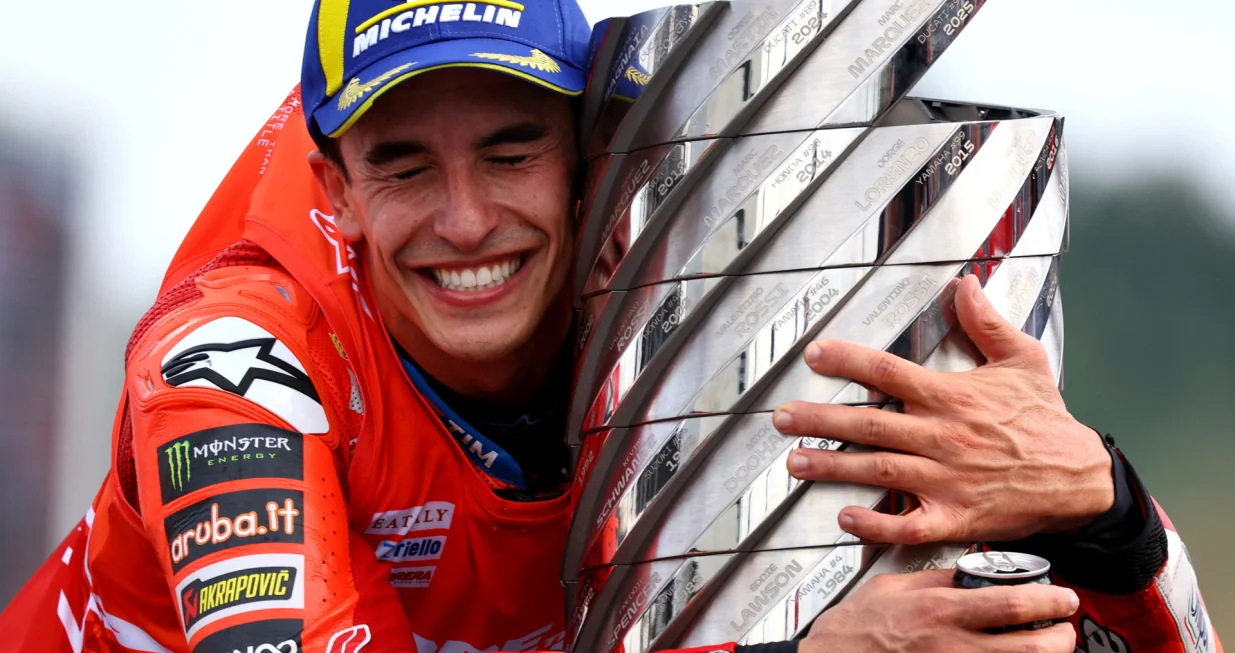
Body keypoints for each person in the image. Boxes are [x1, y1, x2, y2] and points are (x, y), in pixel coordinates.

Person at [0, 1, 1222, 652]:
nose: (465, 221)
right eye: (406, 166)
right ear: (337, 189)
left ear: (590, 162)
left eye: (510, 152)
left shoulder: (703, 315)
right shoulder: (233, 364)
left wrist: (1098, 505)